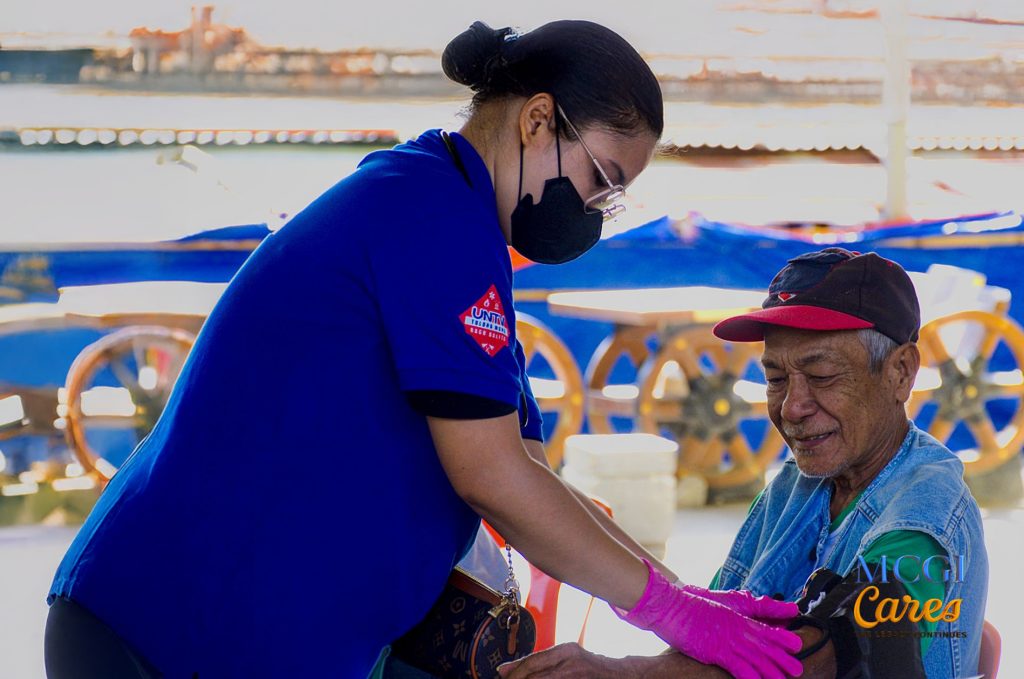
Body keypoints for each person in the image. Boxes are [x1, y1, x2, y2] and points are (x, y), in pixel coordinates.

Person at [44, 19, 803, 679]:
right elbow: (493, 478)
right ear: (539, 120)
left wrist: (681, 594)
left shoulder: (456, 215)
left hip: (247, 627)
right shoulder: (434, 221)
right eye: (600, 180)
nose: (595, 213)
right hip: (171, 628)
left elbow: (528, 469)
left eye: (613, 200)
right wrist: (670, 611)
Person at [497, 249, 988, 679]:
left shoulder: (923, 517)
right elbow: (712, 633)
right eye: (776, 379)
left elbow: (825, 661)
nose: (792, 407)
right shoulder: (796, 485)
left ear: (901, 372)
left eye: (821, 375)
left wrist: (624, 672)